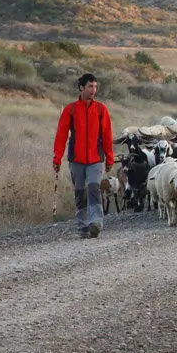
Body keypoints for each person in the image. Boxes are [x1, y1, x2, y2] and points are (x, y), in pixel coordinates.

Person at [53, 73, 114, 239]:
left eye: (95, 86)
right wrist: (57, 158)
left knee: (94, 188)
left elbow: (107, 135)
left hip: (95, 159)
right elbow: (61, 135)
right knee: (80, 193)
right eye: (90, 86)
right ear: (81, 88)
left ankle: (95, 223)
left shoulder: (101, 110)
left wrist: (109, 157)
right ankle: (83, 226)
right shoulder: (70, 110)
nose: (93, 90)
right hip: (76, 160)